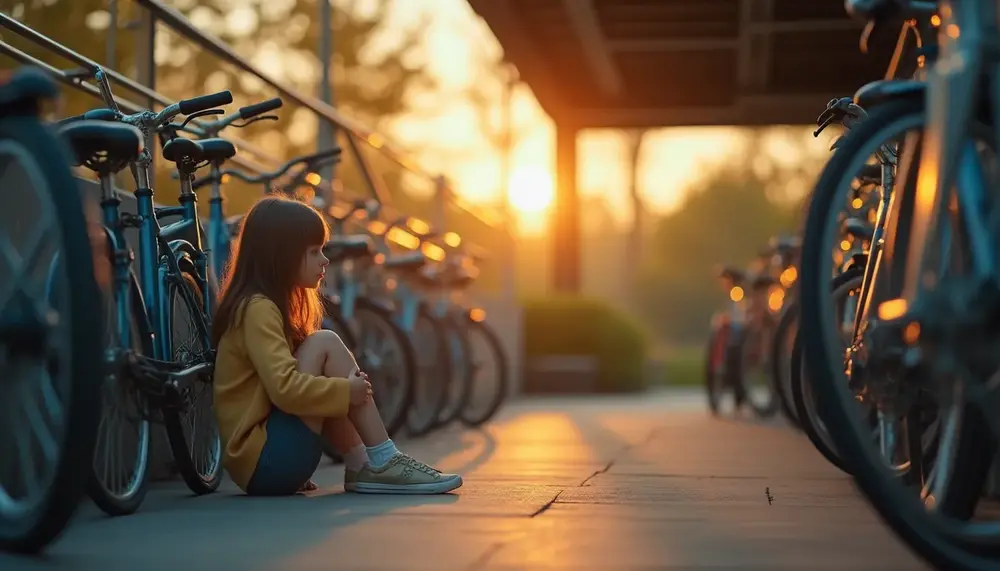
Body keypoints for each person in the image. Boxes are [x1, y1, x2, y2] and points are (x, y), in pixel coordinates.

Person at [211, 195, 462, 496]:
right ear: (281, 256)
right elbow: (286, 390)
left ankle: (362, 464)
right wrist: (348, 392)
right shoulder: (257, 309)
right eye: (314, 252)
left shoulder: (266, 306)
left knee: (322, 354)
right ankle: (384, 459)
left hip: (267, 465)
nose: (325, 260)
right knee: (324, 343)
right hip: (267, 463)